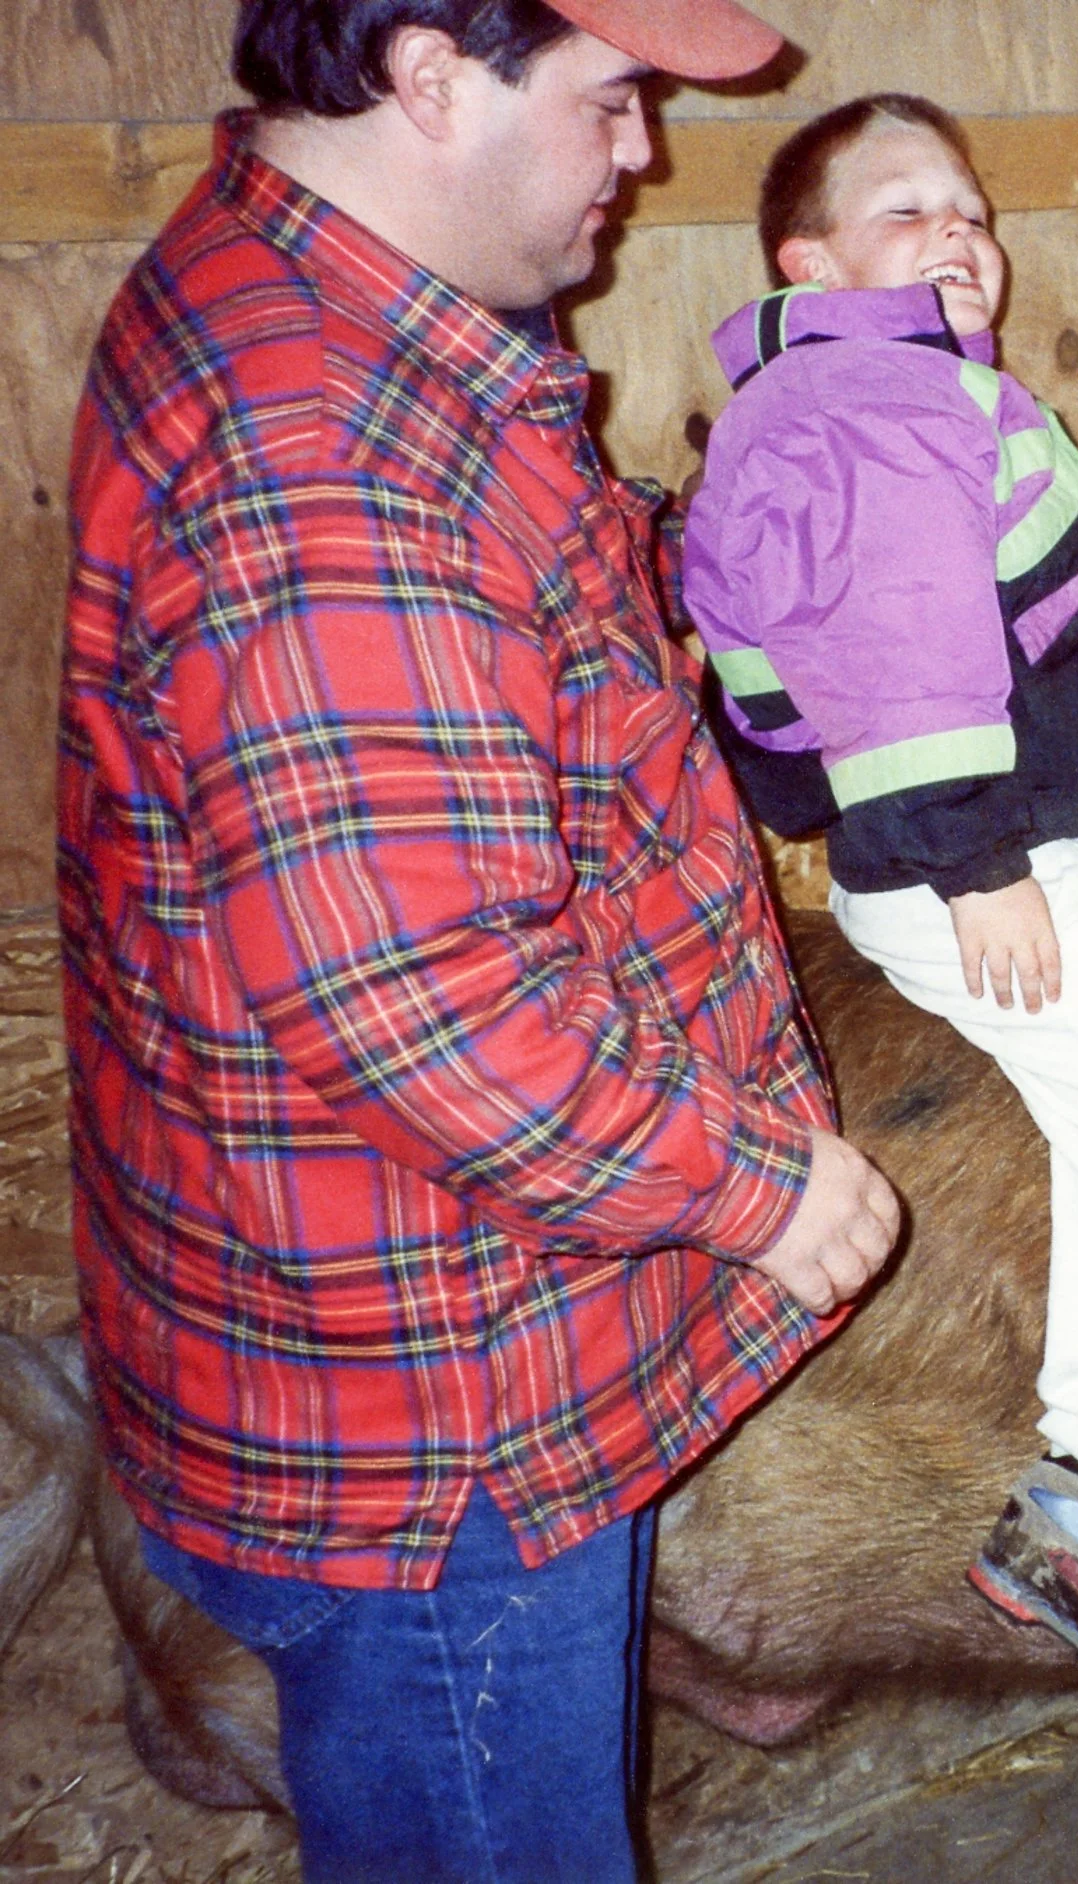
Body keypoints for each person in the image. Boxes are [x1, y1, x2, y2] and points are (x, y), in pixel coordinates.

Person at [57, 3, 901, 1878]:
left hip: (357, 1308)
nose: (642, 154)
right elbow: (419, 1005)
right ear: (432, 76)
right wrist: (756, 1182)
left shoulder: (330, 309)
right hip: (441, 1407)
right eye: (613, 102)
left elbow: (486, 636)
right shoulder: (328, 458)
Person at [682, 94, 1078, 1718]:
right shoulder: (870, 406)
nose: (958, 231)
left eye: (972, 209)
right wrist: (977, 868)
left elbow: (796, 718)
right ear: (809, 263)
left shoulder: (868, 396)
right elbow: (902, 662)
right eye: (906, 211)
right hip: (984, 860)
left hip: (1026, 838)